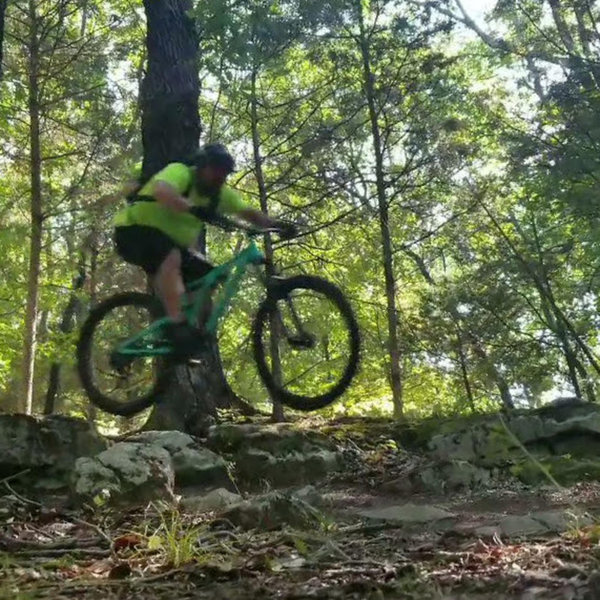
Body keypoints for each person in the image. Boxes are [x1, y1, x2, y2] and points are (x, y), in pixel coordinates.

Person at [112, 143, 294, 354]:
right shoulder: (181, 173)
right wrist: (192, 208)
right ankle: (176, 325)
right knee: (170, 257)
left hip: (168, 245)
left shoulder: (218, 194)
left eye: (225, 173)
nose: (220, 177)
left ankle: (184, 337)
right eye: (216, 170)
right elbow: (163, 191)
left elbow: (248, 213)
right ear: (202, 166)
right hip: (133, 232)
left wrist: (276, 225)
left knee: (208, 276)